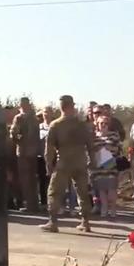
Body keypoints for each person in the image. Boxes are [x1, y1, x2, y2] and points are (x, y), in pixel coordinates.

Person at [40, 95, 95, 233]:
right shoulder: (82, 125)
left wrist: (48, 165)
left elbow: (49, 148)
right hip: (80, 162)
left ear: (61, 107)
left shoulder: (56, 125)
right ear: (72, 106)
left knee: (54, 191)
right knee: (83, 192)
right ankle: (86, 222)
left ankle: (53, 222)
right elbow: (90, 145)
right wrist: (92, 161)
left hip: (64, 162)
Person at [11, 97, 41, 214]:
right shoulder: (35, 118)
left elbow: (14, 134)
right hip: (33, 152)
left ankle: (29, 205)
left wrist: (17, 139)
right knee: (32, 179)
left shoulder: (19, 118)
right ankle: (34, 205)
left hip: (23, 152)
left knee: (25, 179)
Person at [90, 114, 122, 219]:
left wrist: (110, 148)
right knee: (102, 189)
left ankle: (113, 208)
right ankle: (104, 208)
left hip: (111, 165)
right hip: (98, 166)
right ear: (97, 124)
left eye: (106, 123)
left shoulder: (114, 135)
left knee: (112, 189)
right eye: (101, 123)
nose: (103, 125)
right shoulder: (94, 136)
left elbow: (119, 149)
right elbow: (90, 150)